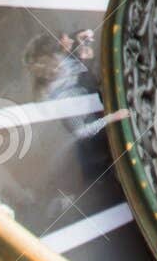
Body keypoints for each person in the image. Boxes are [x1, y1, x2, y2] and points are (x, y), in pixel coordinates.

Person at [23, 30, 128, 181]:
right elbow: (82, 131)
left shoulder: (63, 59)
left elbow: (85, 61)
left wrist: (83, 46)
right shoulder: (58, 98)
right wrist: (112, 118)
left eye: (44, 61)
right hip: (101, 138)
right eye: (38, 68)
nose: (45, 69)